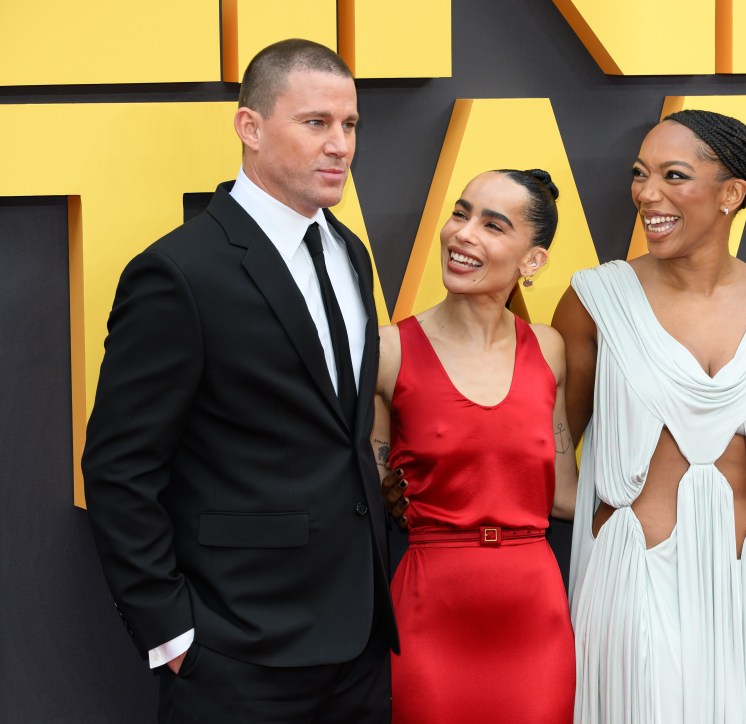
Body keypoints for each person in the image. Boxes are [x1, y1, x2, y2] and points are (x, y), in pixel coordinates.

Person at [82, 39, 397, 723]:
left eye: (350, 126)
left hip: (361, 647)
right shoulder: (179, 273)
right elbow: (119, 466)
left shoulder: (349, 253)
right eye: (316, 123)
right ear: (249, 128)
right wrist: (173, 635)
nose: (340, 145)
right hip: (238, 653)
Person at [553, 109, 746, 722]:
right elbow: (553, 448)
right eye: (641, 174)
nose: (647, 194)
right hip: (632, 585)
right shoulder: (596, 301)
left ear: (731, 194)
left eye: (673, 176)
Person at [373, 169, 578, 722]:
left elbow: (564, 496)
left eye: (493, 225)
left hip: (534, 616)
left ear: (531, 261)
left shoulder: (550, 349)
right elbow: (371, 494)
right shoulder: (389, 351)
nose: (463, 234)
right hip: (429, 611)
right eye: (461, 214)